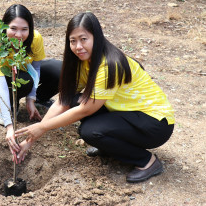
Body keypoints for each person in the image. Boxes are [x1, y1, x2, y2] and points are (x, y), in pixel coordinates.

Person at [15, 12, 175, 183]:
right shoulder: (84, 61)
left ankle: (147, 161)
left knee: (90, 131)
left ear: (96, 37)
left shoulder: (109, 65)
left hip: (155, 123)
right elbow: (65, 100)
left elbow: (86, 109)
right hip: (127, 111)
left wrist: (42, 127)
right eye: (73, 41)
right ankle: (111, 147)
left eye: (84, 39)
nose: (78, 46)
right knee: (77, 101)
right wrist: (33, 136)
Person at [0, 4, 62, 161]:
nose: (19, 35)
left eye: (24, 29)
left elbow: (36, 68)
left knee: (59, 70)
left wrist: (31, 98)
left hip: (27, 74)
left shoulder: (35, 38)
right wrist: (9, 127)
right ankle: (8, 109)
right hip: (9, 82)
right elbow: (0, 87)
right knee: (24, 81)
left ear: (30, 28)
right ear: (3, 27)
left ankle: (39, 100)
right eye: (13, 28)